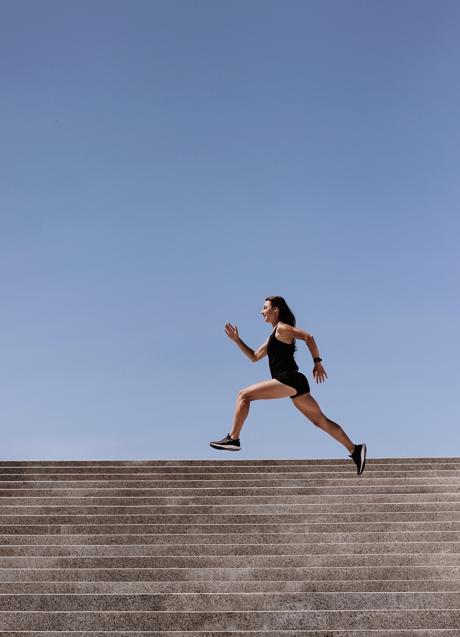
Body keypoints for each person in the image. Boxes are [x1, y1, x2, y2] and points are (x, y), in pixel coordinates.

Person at [209, 295, 367, 475]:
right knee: (320, 421)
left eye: (265, 307)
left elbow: (308, 336)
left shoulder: (282, 328)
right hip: (296, 383)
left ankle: (233, 439)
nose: (262, 312)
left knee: (243, 395)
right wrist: (237, 340)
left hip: (289, 380)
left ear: (276, 310)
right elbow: (254, 356)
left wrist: (317, 362)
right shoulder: (272, 336)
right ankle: (355, 450)